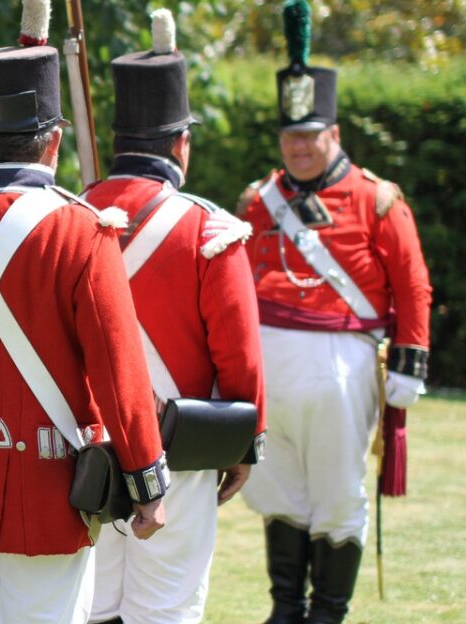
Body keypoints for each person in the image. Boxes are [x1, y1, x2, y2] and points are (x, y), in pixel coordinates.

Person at [0, 41, 168, 624]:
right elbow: (120, 374)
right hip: (53, 486)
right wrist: (147, 480)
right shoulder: (84, 232)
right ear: (56, 139)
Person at [237, 2, 432, 623]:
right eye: (290, 135)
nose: (298, 146)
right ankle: (286, 609)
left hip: (342, 365)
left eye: (310, 135)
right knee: (281, 493)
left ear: (335, 135)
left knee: (336, 494)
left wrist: (408, 365)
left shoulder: (377, 199)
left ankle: (328, 613)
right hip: (271, 369)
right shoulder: (258, 200)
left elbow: (413, 285)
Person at [80, 10, 266, 624]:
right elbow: (239, 356)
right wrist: (243, 443)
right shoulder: (207, 229)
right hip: (177, 450)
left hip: (82, 450)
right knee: (165, 611)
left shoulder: (65, 219)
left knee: (93, 606)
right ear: (181, 143)